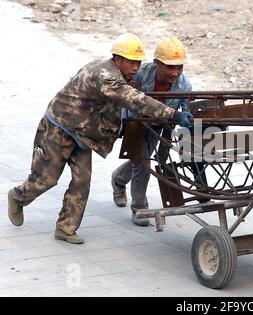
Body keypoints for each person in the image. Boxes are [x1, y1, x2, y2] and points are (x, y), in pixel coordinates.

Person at [7, 33, 193, 244]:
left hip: (84, 133)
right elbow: (135, 100)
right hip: (58, 128)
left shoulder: (119, 73)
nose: (135, 68)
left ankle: (66, 228)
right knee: (46, 179)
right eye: (131, 63)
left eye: (138, 63)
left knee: (82, 181)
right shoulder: (107, 76)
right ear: (118, 59)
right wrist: (172, 114)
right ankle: (18, 196)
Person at [111, 36, 202, 226]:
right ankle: (140, 209)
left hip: (159, 125)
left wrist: (187, 118)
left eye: (179, 67)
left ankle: (118, 179)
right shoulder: (140, 75)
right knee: (143, 163)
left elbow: (185, 109)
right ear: (156, 63)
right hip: (135, 123)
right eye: (170, 67)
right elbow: (121, 93)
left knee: (141, 159)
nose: (175, 72)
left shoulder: (185, 85)